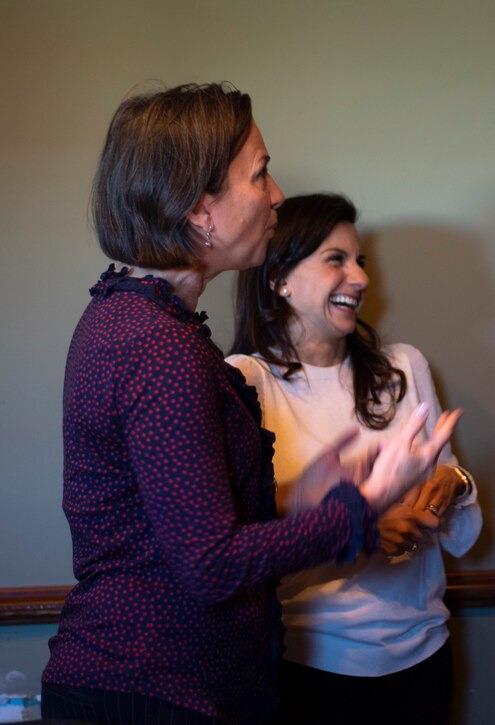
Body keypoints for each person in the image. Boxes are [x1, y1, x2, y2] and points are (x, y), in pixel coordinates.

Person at [41, 84, 459, 725]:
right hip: (151, 692)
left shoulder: (133, 322)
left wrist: (304, 497)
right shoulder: (157, 346)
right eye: (259, 173)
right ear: (199, 210)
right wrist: (360, 509)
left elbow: (176, 525)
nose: (275, 195)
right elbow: (210, 566)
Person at [226, 192, 481, 724]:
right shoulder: (246, 381)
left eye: (359, 261)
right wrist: (358, 524)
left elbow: (465, 535)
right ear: (280, 278)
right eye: (335, 260)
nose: (361, 278)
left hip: (424, 657)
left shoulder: (404, 368)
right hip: (310, 667)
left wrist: (452, 483)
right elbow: (234, 542)